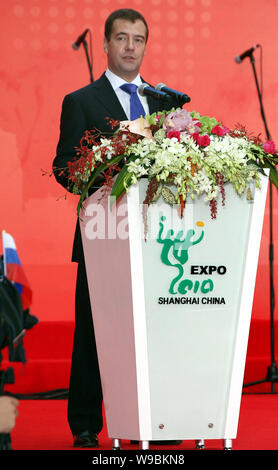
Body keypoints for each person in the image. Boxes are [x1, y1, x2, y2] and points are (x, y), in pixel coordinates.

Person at [53, 9, 179, 448]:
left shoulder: (163, 102)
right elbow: (64, 168)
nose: (130, 47)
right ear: (106, 45)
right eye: (122, 38)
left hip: (157, 238)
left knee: (154, 330)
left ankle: (155, 423)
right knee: (94, 330)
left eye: (138, 39)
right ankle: (86, 424)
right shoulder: (81, 101)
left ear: (146, 45)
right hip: (104, 235)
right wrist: (106, 166)